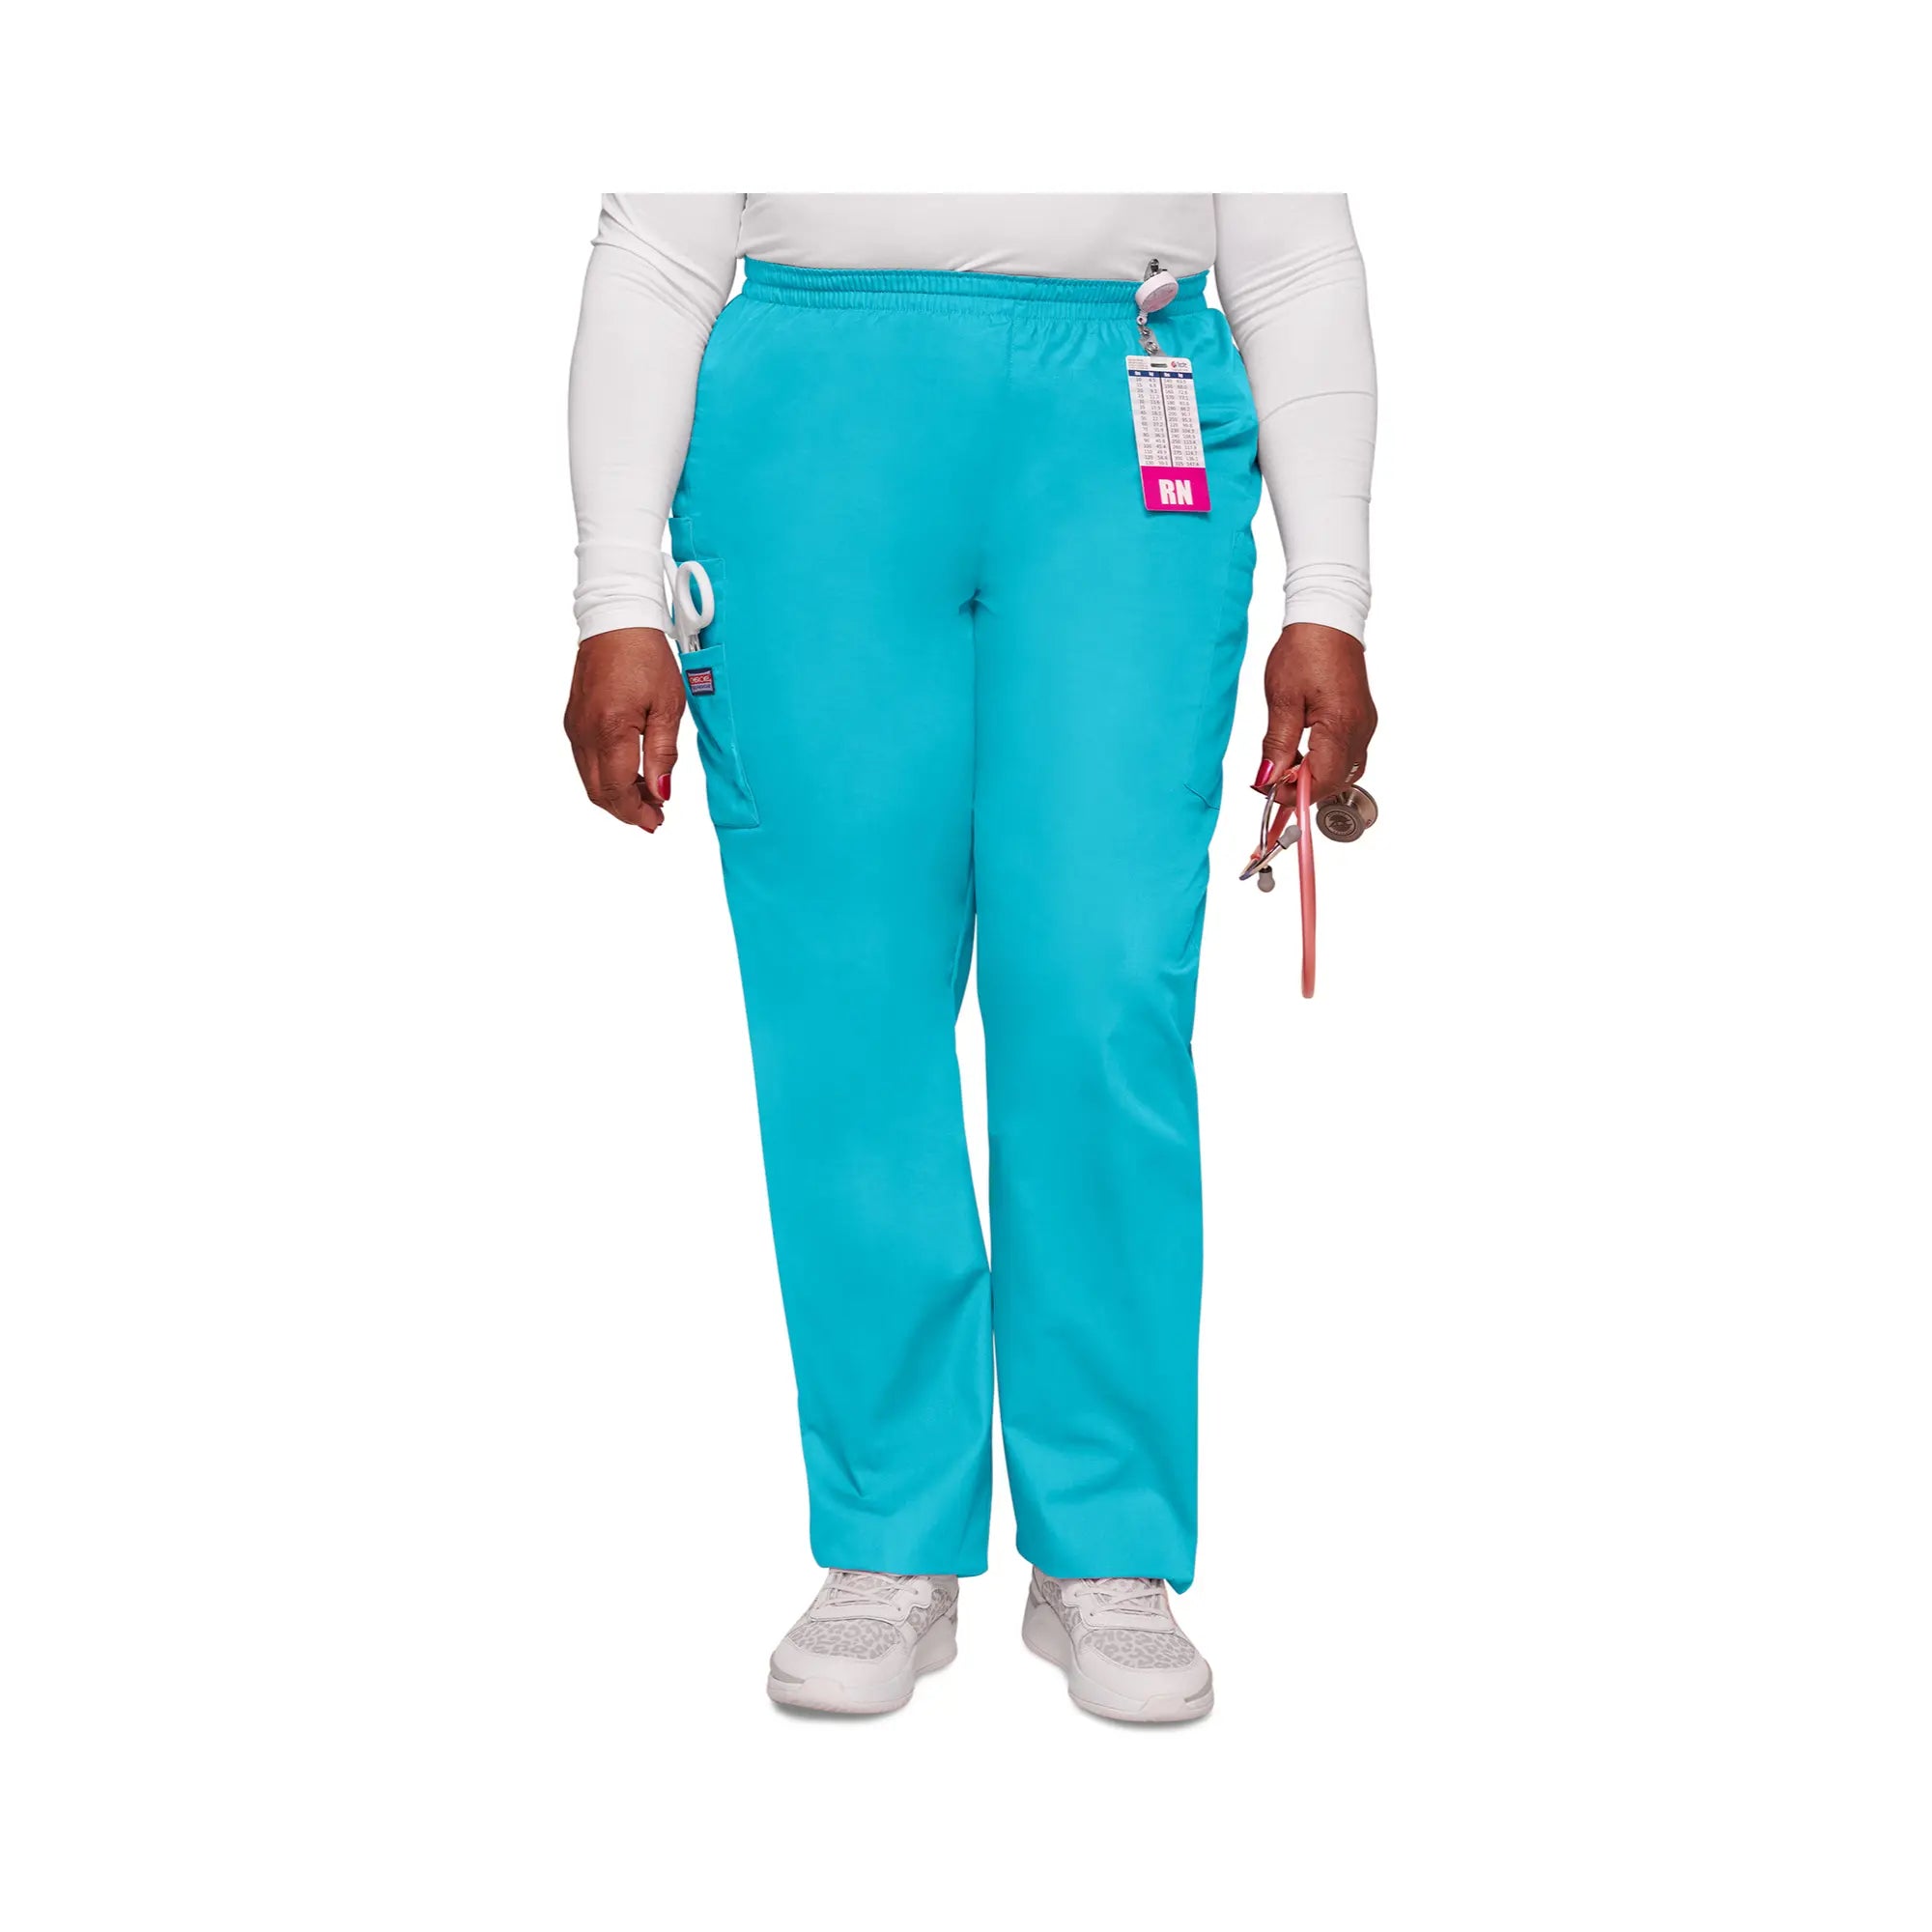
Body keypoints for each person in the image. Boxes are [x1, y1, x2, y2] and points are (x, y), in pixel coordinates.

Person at [564, 194, 1378, 1721]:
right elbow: (660, 248)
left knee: (1102, 985)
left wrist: (1328, 596)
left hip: (1124, 411)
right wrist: (617, 597)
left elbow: (1294, 253)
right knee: (845, 997)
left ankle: (1107, 1544)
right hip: (812, 421)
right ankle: (890, 1531)